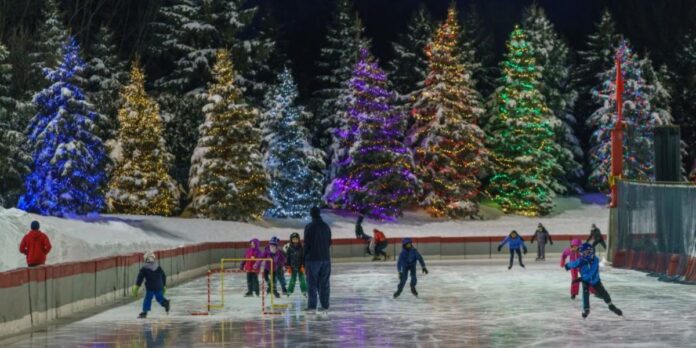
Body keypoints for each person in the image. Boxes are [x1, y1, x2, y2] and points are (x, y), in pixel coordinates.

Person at [565, 243, 622, 318]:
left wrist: (581, 279)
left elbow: (591, 272)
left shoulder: (595, 260)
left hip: (595, 280)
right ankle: (586, 309)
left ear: (591, 251)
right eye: (584, 253)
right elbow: (574, 263)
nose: (586, 254)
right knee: (585, 293)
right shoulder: (581, 260)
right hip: (585, 280)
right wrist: (568, 265)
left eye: (587, 252)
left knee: (603, 293)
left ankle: (610, 305)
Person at [304, 207, 332, 312]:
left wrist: (304, 258)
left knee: (312, 283)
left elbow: (306, 244)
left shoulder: (309, 227)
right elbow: (329, 242)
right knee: (324, 283)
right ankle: (325, 306)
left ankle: (312, 306)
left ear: (311, 215)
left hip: (312, 260)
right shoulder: (326, 227)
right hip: (325, 259)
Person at [132, 251, 170, 319]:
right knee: (159, 298)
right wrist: (164, 285)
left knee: (148, 298)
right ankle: (165, 303)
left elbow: (140, 278)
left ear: (146, 259)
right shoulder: (158, 267)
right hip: (159, 286)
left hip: (150, 287)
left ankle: (145, 312)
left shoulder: (144, 268)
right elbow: (164, 276)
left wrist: (137, 286)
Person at [284, 232, 307, 297]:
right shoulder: (289, 248)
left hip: (300, 266)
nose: (295, 240)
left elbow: (303, 257)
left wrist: (303, 265)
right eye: (293, 239)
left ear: (298, 239)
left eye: (296, 239)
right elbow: (288, 258)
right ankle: (289, 291)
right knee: (292, 279)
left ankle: (304, 290)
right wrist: (288, 266)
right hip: (292, 267)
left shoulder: (301, 248)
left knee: (302, 279)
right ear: (291, 240)